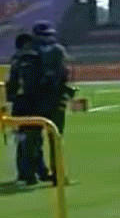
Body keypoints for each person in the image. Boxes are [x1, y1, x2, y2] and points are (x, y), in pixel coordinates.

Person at [31, 21, 72, 184]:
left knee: (34, 139)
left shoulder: (29, 51)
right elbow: (64, 73)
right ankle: (58, 174)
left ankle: (37, 172)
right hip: (54, 98)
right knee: (55, 137)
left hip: (34, 99)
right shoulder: (58, 50)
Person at [6, 32, 48, 185]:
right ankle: (37, 171)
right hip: (35, 103)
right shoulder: (36, 58)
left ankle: (27, 173)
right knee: (35, 139)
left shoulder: (17, 60)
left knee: (24, 140)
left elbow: (12, 84)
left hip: (21, 104)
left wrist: (9, 100)